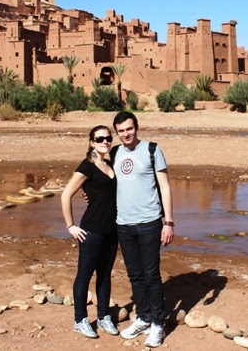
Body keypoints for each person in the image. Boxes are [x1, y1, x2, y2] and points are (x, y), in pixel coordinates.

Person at [111, 111, 174, 348]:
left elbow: (165, 187)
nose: (126, 134)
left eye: (129, 129)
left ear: (136, 127)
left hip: (149, 223)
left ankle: (158, 323)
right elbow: (105, 179)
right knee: (135, 275)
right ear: (117, 133)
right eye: (121, 131)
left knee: (151, 275)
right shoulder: (115, 152)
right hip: (123, 224)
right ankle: (143, 318)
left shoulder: (152, 150)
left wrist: (168, 222)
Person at [61, 125, 119, 339]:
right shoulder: (87, 166)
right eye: (100, 138)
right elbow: (65, 195)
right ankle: (80, 320)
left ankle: (104, 317)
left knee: (105, 275)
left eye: (108, 138)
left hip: (112, 230)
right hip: (91, 230)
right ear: (92, 143)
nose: (105, 141)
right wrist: (71, 226)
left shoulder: (110, 163)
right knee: (85, 275)